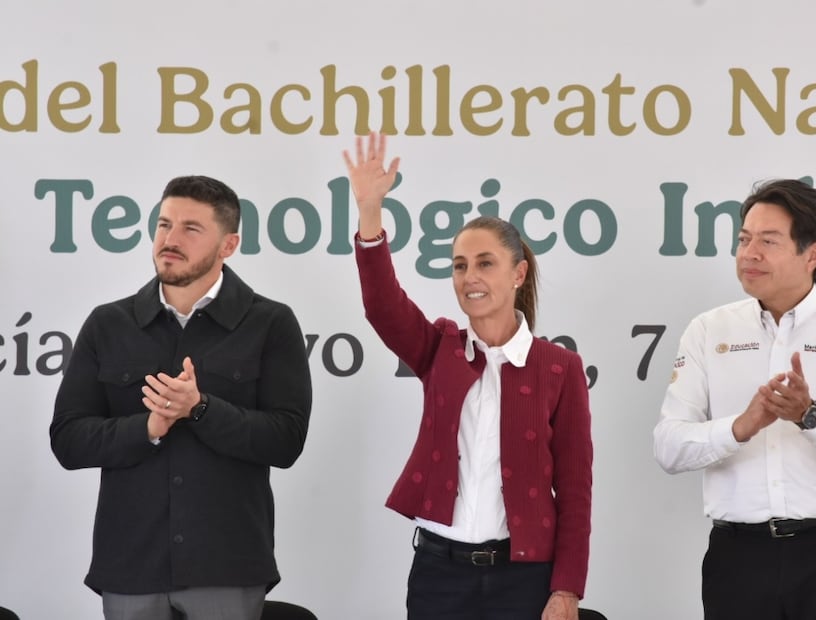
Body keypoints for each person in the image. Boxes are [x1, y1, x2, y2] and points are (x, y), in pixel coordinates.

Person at [343, 133, 592, 620]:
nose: (469, 277)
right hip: (440, 573)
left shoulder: (560, 368)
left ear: (518, 275)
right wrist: (370, 212)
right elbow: (382, 305)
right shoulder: (440, 347)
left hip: (525, 579)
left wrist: (567, 590)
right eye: (459, 266)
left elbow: (576, 490)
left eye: (484, 263)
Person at [50, 175, 312, 620]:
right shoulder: (107, 324)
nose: (169, 240)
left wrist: (201, 409)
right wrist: (147, 428)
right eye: (163, 224)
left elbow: (286, 441)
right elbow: (68, 441)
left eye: (191, 228)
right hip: (130, 564)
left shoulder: (271, 322)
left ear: (228, 245)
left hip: (228, 564)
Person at [653, 179, 816, 619]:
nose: (749, 254)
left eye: (768, 242)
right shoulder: (709, 330)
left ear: (812, 254)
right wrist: (739, 428)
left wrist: (811, 417)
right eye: (744, 239)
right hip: (737, 557)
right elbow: (668, 448)